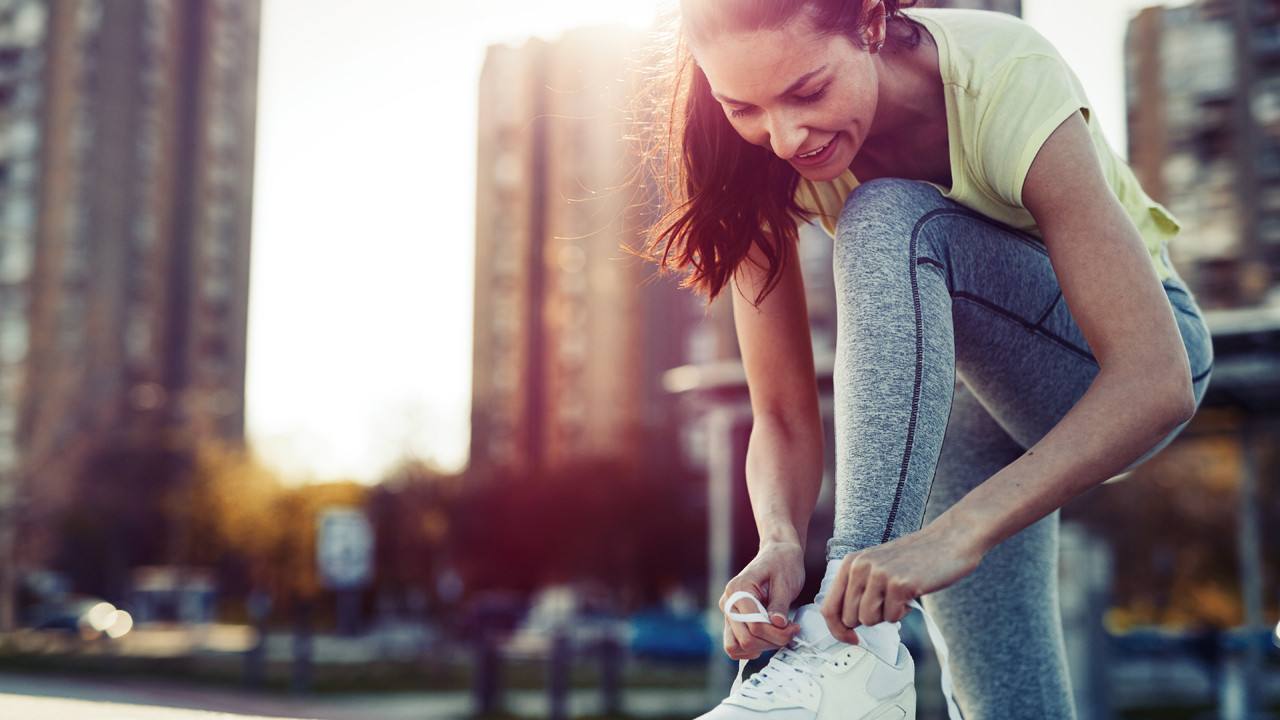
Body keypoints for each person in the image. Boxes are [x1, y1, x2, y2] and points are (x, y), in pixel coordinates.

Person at [640, 0, 1214, 717]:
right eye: (742, 106)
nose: (784, 136)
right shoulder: (745, 161)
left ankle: (844, 653)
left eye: (808, 91)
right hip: (964, 400)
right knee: (1009, 702)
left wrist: (958, 533)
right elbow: (783, 413)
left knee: (884, 216)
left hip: (1114, 367)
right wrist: (780, 537)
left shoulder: (1004, 73)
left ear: (873, 24)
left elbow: (1156, 380)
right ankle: (862, 657)